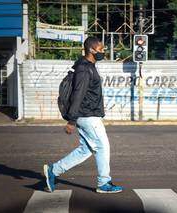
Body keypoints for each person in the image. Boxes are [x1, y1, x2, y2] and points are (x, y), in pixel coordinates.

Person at [43, 37, 123, 194]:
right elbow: (78, 94)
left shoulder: (86, 66)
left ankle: (53, 171)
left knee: (85, 149)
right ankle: (104, 182)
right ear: (92, 50)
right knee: (102, 146)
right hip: (87, 115)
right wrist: (72, 120)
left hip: (88, 114)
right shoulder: (84, 69)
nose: (103, 52)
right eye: (101, 50)